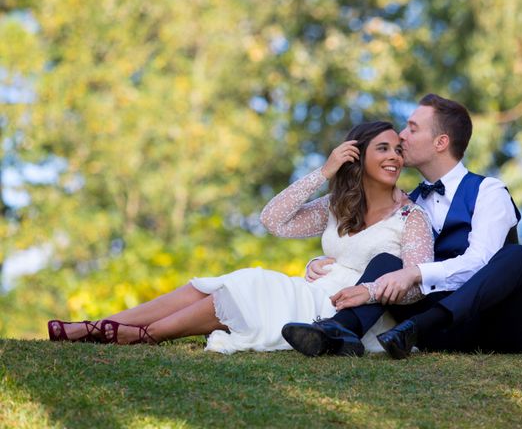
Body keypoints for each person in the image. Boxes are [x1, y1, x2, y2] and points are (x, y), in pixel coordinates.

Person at [47, 121, 434, 354]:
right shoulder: (339, 204)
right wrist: (323, 172)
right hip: (312, 288)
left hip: (349, 313)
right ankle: (102, 324)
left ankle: (138, 336)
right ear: (356, 156)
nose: (395, 157)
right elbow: (274, 220)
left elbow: (417, 285)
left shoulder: (410, 216)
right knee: (207, 287)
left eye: (399, 150)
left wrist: (366, 287)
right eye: (383, 148)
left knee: (245, 286)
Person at [283, 94, 522, 359]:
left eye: (412, 128)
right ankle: (338, 331)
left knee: (517, 257)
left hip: (494, 327)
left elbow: (479, 262)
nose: (401, 136)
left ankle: (414, 328)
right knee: (386, 259)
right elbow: (369, 251)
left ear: (441, 142)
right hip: (436, 333)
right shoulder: (406, 204)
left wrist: (415, 272)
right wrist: (328, 261)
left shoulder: (488, 191)